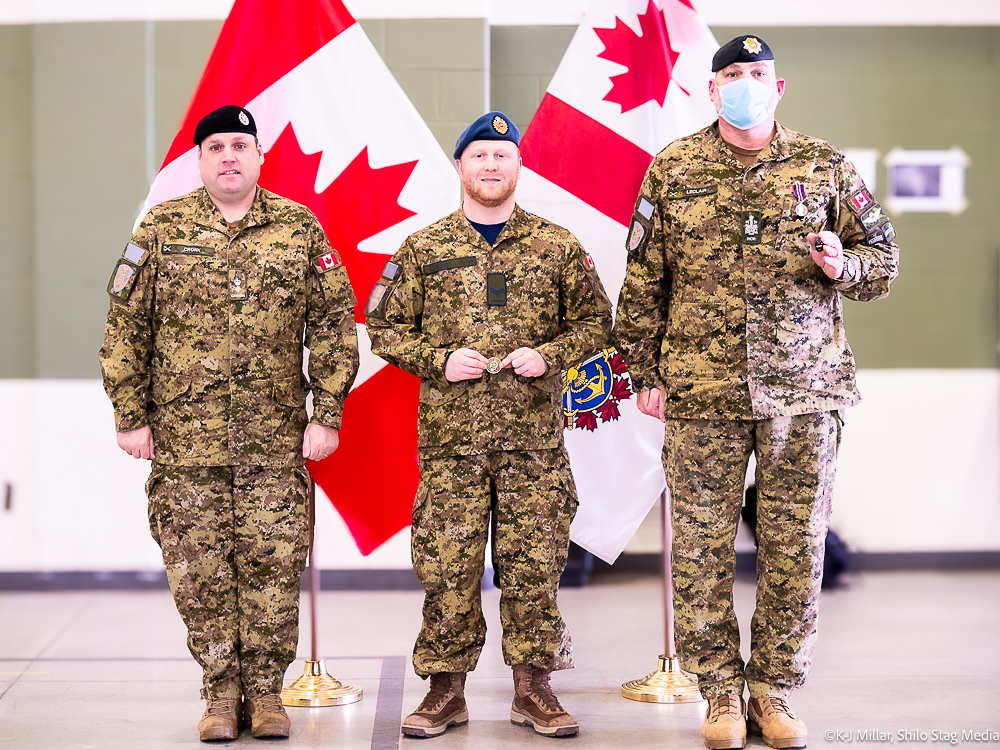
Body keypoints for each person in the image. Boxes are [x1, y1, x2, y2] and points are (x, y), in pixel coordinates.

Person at [613, 36, 899, 750]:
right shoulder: (673, 169)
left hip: (804, 392)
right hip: (701, 392)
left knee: (795, 548)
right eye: (732, 75)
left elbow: (884, 260)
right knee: (702, 551)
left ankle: (774, 690)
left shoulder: (824, 165)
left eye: (757, 74)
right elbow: (644, 281)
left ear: (780, 86)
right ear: (713, 91)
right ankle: (719, 694)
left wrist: (844, 264)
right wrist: (644, 374)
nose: (745, 83)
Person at [99, 105, 359, 742]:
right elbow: (125, 326)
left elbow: (334, 325)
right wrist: (130, 416)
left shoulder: (298, 228)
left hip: (274, 442)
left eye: (240, 145)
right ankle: (220, 694)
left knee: (273, 566)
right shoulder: (162, 227)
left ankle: (266, 695)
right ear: (200, 159)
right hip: (186, 443)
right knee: (199, 570)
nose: (228, 157)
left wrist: (326, 413)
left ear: (260, 156)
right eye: (215, 146)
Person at [366, 111, 612, 739]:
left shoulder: (556, 245)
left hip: (533, 443)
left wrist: (550, 355)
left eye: (503, 154)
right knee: (447, 566)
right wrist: (437, 360)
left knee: (534, 566)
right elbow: (386, 328)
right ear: (460, 166)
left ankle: (535, 690)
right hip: (453, 444)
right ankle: (445, 691)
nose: (492, 165)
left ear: (519, 166)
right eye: (480, 155)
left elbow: (597, 322)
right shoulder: (425, 249)